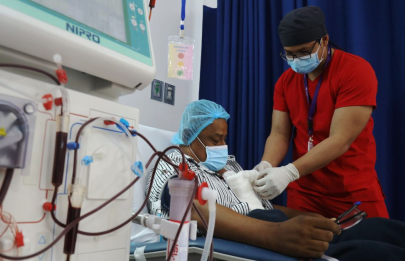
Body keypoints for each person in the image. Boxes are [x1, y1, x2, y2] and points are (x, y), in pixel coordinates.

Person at [146, 100, 405, 260]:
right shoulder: (171, 160)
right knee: (371, 253)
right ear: (191, 136)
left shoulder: (225, 163)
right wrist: (276, 235)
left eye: (224, 138)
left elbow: (261, 206)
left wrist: (313, 219)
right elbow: (187, 206)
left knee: (378, 228)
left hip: (269, 222)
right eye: (215, 140)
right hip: (249, 234)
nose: (223, 146)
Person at [252, 6, 388, 219]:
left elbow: (340, 139)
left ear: (324, 40)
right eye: (290, 54)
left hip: (352, 192)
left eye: (304, 52)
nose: (296, 59)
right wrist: (266, 165)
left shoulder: (355, 72)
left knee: (373, 250)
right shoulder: (285, 82)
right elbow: (279, 133)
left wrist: (288, 172)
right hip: (304, 192)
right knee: (302, 251)